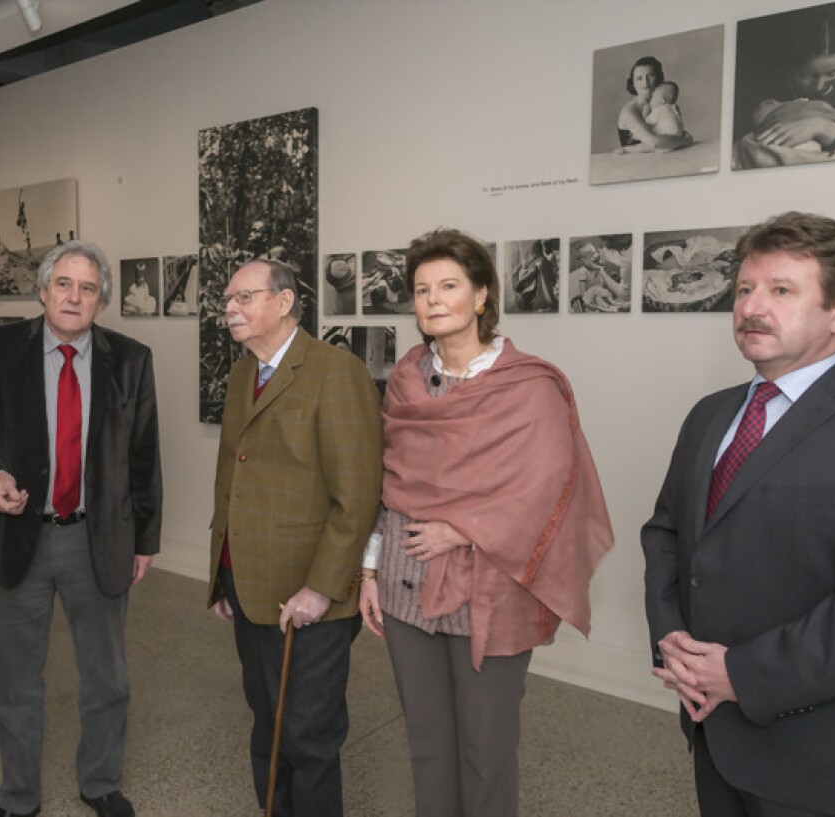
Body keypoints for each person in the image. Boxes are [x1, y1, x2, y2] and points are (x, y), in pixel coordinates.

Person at [642, 212, 835, 816]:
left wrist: (741, 674)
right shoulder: (710, 414)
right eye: (744, 289)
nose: (752, 307)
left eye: (781, 291)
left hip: (826, 755)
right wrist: (671, 639)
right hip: (714, 733)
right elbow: (666, 535)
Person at [357, 229, 613, 816]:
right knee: (426, 742)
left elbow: (549, 487)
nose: (433, 300)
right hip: (402, 583)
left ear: (481, 296)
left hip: (488, 588)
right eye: (421, 290)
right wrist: (369, 571)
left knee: (486, 749)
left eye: (448, 285)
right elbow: (389, 481)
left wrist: (464, 527)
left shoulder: (528, 385)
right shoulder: (407, 378)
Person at [0, 240, 162, 817]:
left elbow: (144, 457)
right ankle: (18, 797)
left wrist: (145, 542)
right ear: (41, 291)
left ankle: (100, 783)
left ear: (101, 301)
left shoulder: (132, 359)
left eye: (87, 288)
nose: (74, 296)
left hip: (100, 539)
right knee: (15, 680)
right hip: (19, 537)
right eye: (63, 284)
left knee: (106, 677)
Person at [208, 258, 383, 817]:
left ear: (283, 303)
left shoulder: (335, 371)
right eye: (228, 299)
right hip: (247, 583)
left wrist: (323, 587)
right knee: (268, 723)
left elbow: (356, 496)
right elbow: (233, 477)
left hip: (310, 593)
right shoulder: (243, 372)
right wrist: (221, 573)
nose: (229, 309)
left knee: (308, 734)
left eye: (244, 298)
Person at [733, 7, 835, 169]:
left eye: (833, 73)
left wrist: (824, 128)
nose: (820, 86)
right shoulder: (756, 91)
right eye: (805, 76)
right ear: (785, 70)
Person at [616, 56, 695, 153]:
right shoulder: (630, 111)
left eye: (650, 76)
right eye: (639, 78)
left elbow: (674, 130)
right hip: (636, 161)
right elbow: (653, 143)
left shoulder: (661, 103)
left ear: (658, 77)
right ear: (632, 83)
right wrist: (683, 140)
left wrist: (674, 139)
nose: (645, 82)